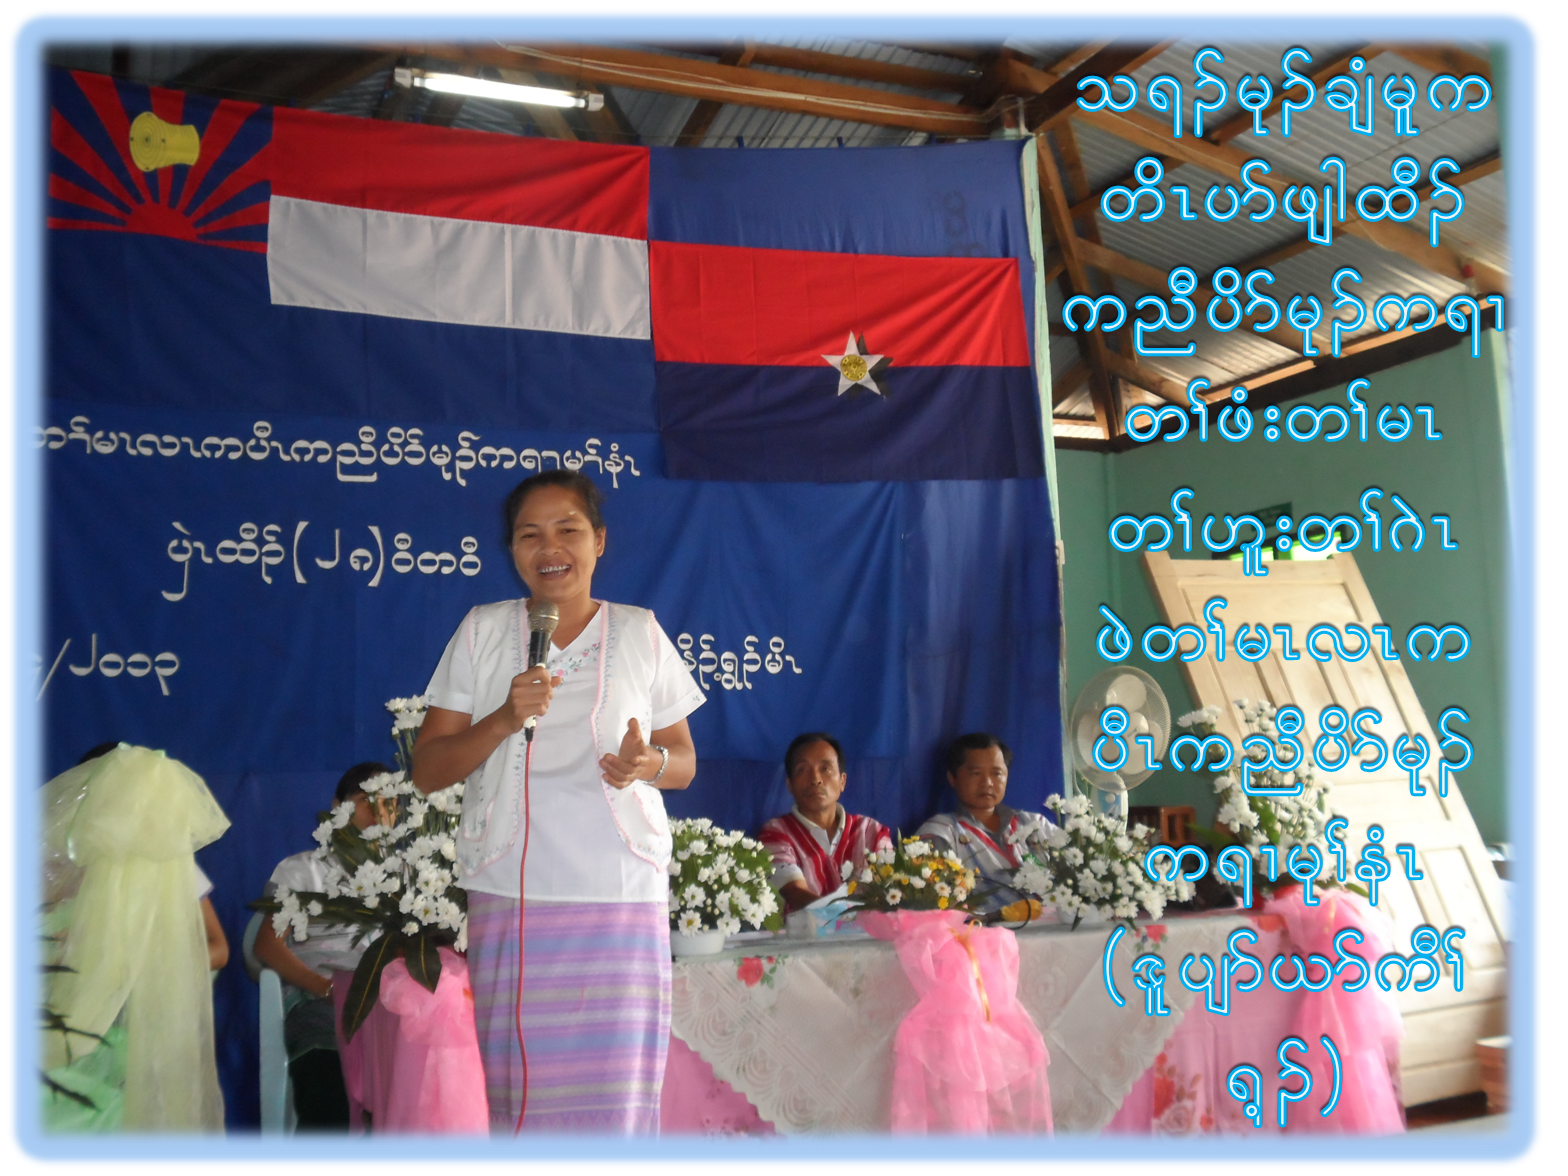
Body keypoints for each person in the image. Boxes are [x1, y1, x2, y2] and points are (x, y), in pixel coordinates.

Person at [411, 468, 705, 1138]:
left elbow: (684, 761)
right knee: (521, 1096)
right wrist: (502, 719)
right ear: (512, 550)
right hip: (514, 889)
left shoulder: (640, 631)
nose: (550, 548)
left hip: (619, 892)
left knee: (617, 1097)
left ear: (599, 540)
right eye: (530, 534)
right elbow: (427, 770)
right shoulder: (484, 630)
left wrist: (648, 765)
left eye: (568, 529)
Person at [37, 743, 230, 1136]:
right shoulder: (52, 861)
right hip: (59, 1019)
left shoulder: (168, 864)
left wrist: (138, 962)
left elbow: (218, 949)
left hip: (137, 1028)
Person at [252, 761, 392, 1134]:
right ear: (337, 807)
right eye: (366, 800)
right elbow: (267, 945)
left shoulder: (408, 879)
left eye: (390, 803)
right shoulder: (301, 870)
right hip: (322, 1005)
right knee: (331, 1102)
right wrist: (327, 989)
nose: (379, 811)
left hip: (388, 1009)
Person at [917, 733, 1054, 916]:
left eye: (997, 774)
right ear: (952, 778)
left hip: (1052, 926)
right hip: (982, 930)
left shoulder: (1035, 825)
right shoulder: (941, 833)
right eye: (976, 773)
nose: (987, 783)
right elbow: (933, 903)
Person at [757, 733, 889, 913]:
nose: (815, 779)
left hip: (868, 930)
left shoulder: (871, 832)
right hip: (802, 932)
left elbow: (890, 890)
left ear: (842, 781)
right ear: (790, 785)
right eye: (803, 770)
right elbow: (795, 892)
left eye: (825, 769)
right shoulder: (775, 833)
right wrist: (844, 918)